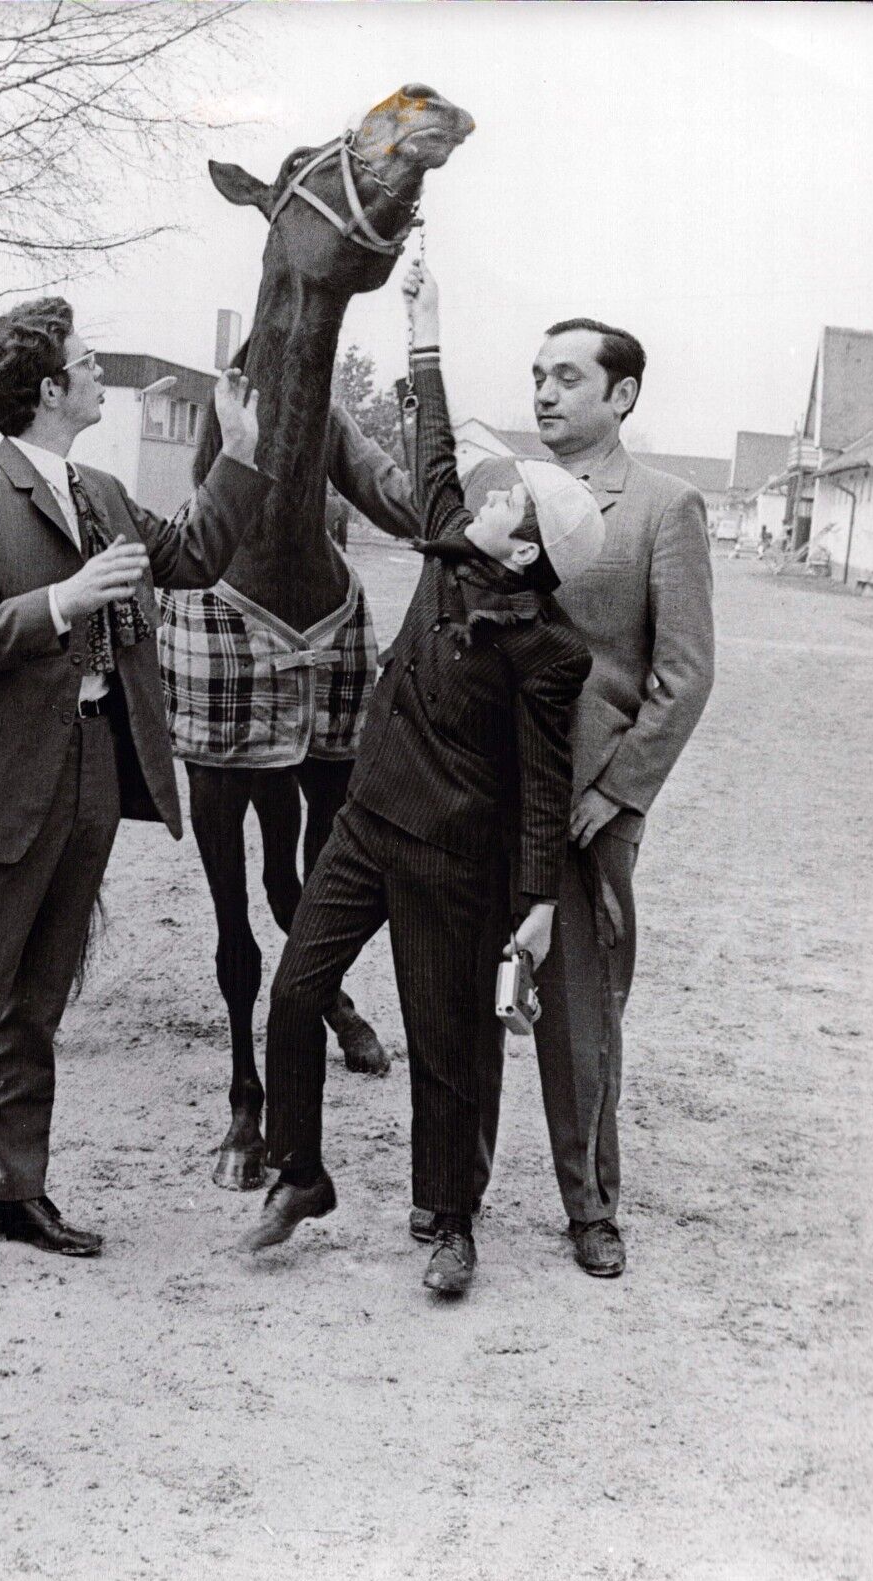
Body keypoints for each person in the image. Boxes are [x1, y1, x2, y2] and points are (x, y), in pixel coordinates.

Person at [0, 297, 267, 1299]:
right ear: (50, 389)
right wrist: (66, 599)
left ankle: (9, 1192)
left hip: (95, 767)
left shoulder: (98, 485)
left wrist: (241, 447)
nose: (102, 376)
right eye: (89, 364)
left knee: (39, 997)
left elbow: (191, 559)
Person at [239, 262, 604, 1297]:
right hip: (365, 826)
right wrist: (423, 327)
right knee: (295, 990)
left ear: (524, 547)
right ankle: (300, 1171)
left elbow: (541, 790)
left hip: (453, 860)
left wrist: (532, 904)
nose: (480, 497)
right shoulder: (453, 549)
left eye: (504, 503)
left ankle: (450, 1223)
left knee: (445, 1053)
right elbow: (432, 443)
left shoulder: (548, 655)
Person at [446, 316, 715, 1278]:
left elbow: (682, 676)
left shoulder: (664, 507)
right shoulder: (509, 494)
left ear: (622, 395)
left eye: (567, 376)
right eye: (536, 375)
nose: (545, 393)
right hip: (480, 790)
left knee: (578, 1015)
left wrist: (618, 791)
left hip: (583, 807)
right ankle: (452, 1204)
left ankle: (590, 1206)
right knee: (466, 1001)